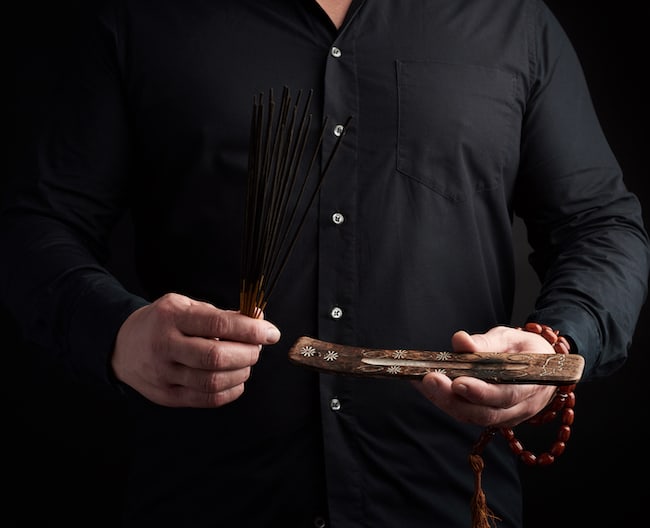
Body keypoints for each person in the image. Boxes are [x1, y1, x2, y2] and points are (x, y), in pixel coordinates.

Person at [3, 1, 649, 527]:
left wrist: (551, 347)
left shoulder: (512, 20)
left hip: (446, 501)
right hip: (206, 501)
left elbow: (600, 226)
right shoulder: (137, 17)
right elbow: (37, 228)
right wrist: (116, 334)